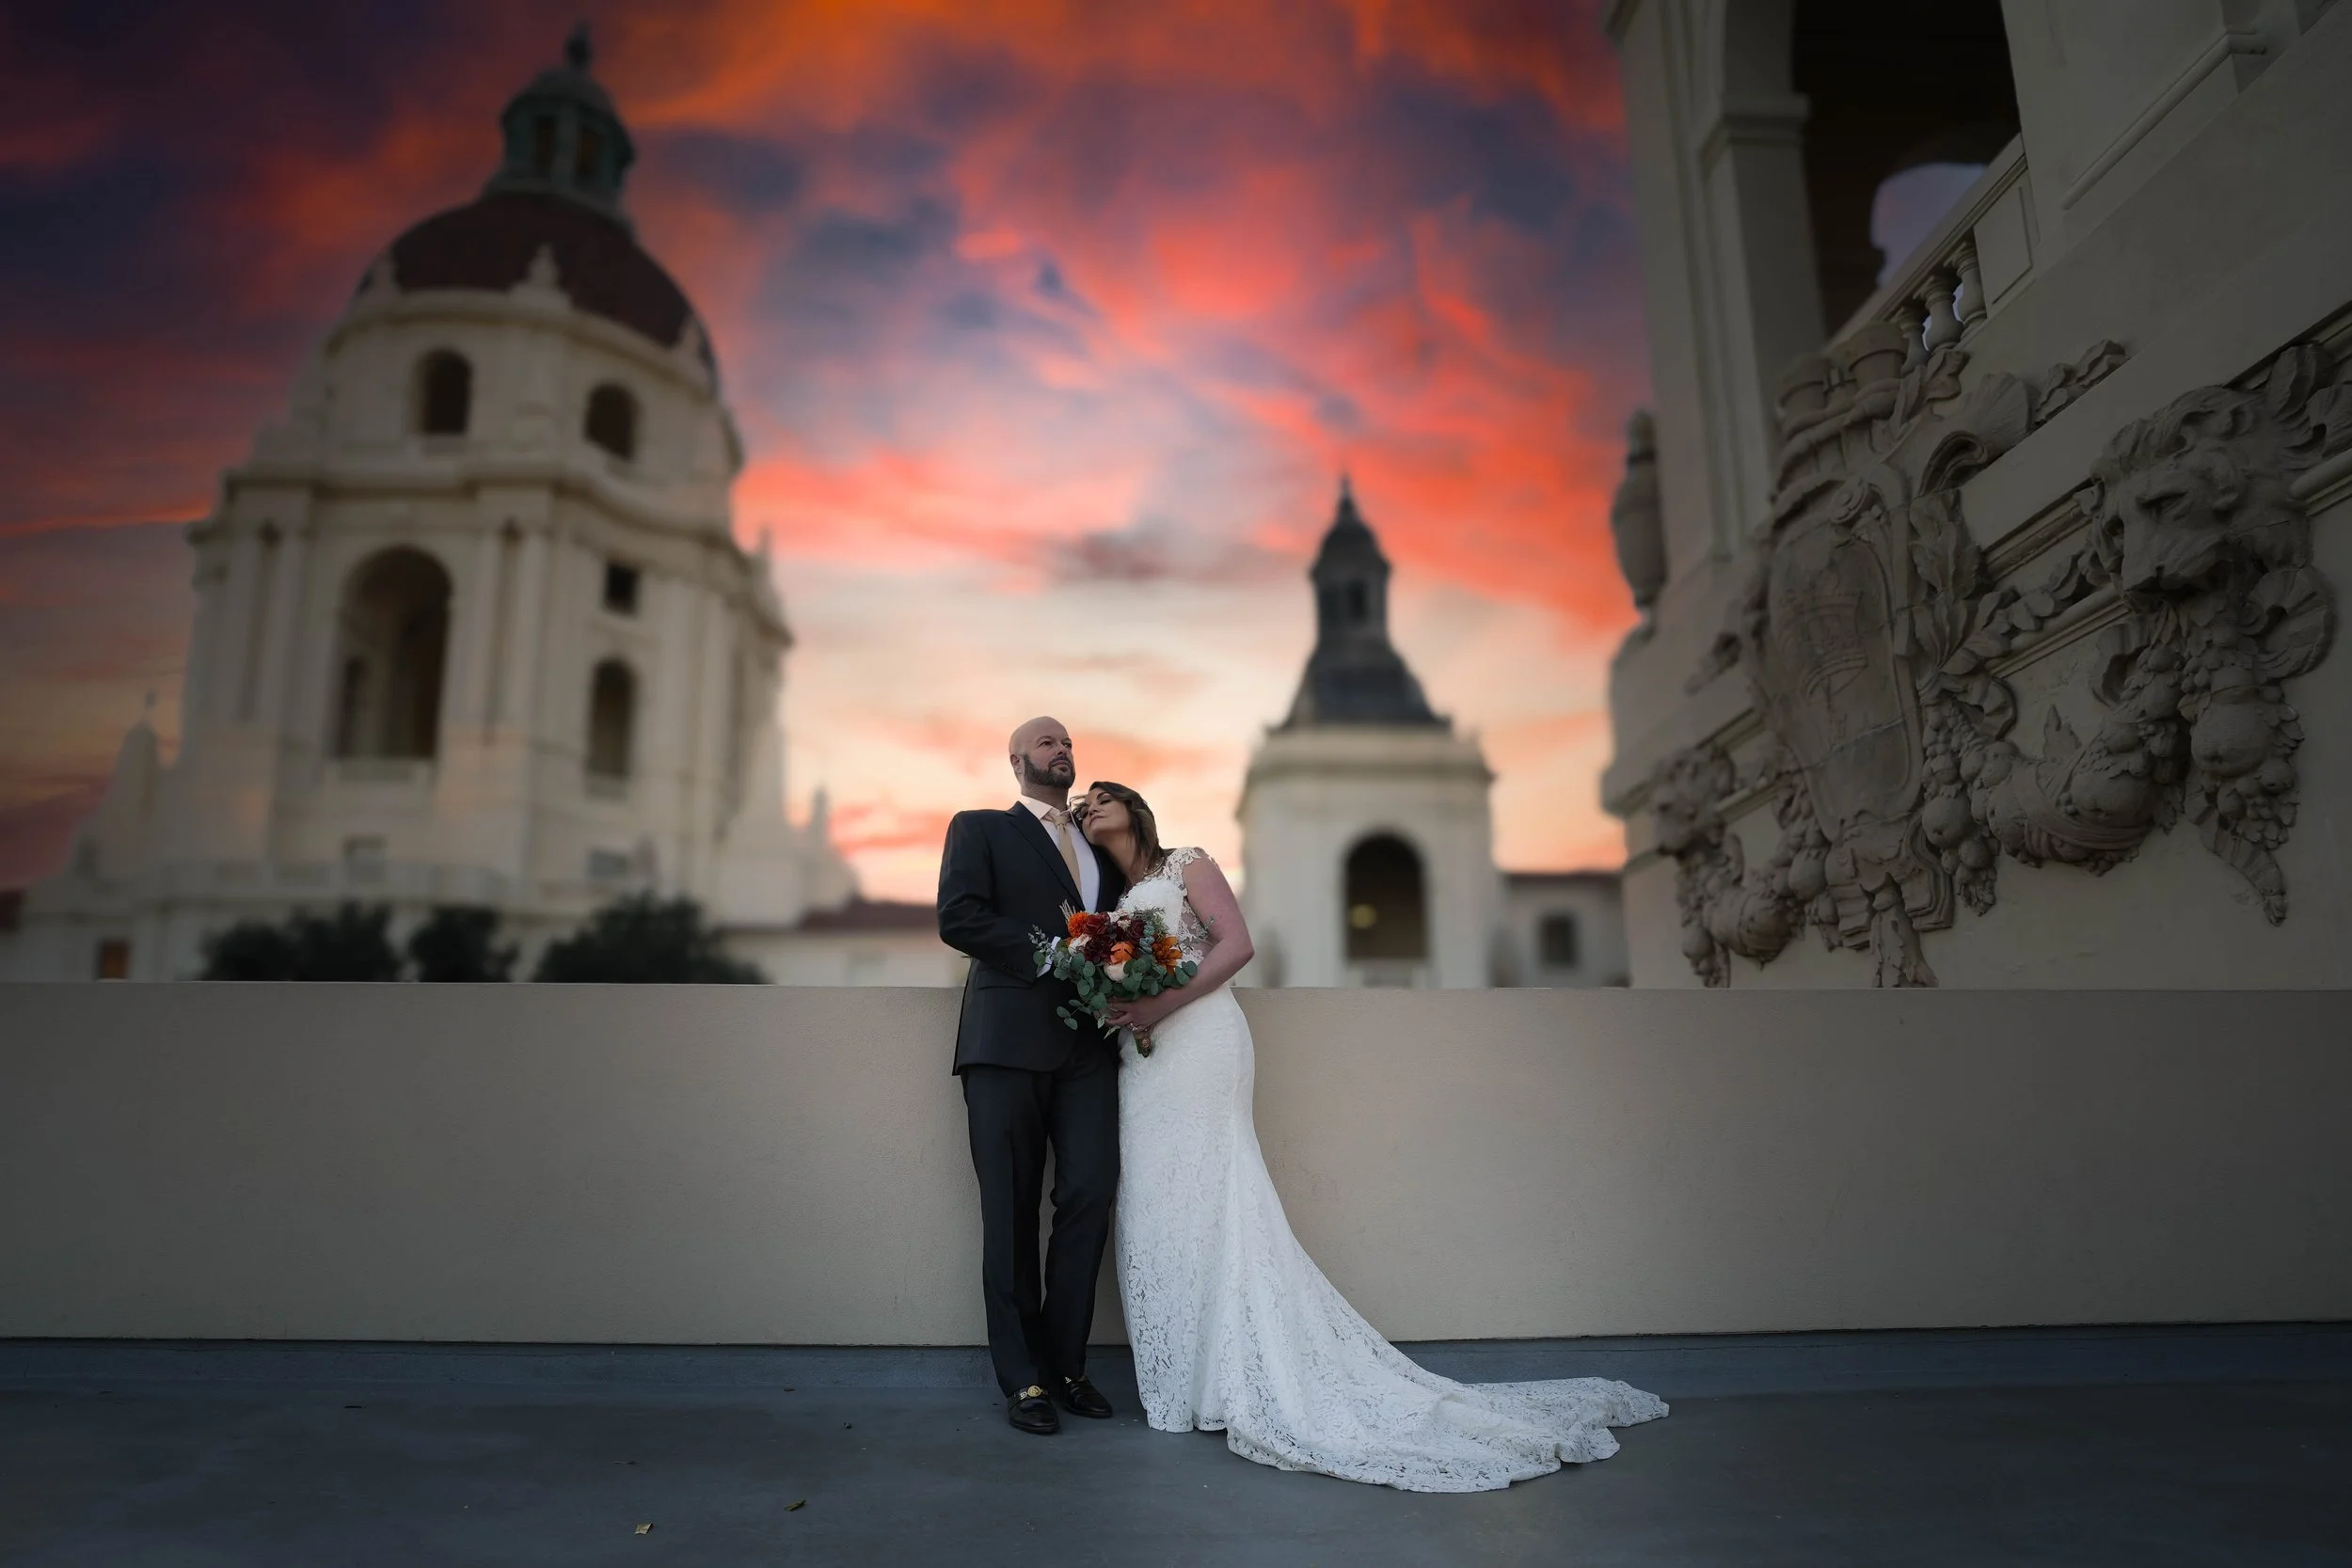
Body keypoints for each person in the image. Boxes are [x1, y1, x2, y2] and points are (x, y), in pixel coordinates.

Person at [1075, 780, 1667, 1492]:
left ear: (1135, 808)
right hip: (1144, 1063)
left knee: (1216, 1196)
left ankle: (1244, 1375)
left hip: (1200, 1042)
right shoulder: (1107, 902)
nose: (1089, 804)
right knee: (1159, 1207)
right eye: (1083, 803)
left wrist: (1160, 1003)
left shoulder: (1186, 863)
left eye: (1102, 795)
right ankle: (1193, 1380)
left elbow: (1238, 945)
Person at [935, 718, 1130, 1435]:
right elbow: (958, 916)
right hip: (1004, 1043)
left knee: (1090, 1194)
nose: (1062, 750)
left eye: (1068, 742)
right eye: (1047, 742)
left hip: (1089, 1047)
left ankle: (1067, 1365)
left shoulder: (1101, 849)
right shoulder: (981, 828)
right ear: (1016, 759)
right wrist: (1051, 951)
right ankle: (1025, 1381)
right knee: (1010, 1210)